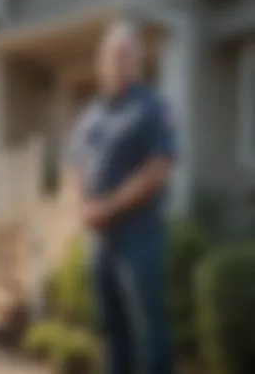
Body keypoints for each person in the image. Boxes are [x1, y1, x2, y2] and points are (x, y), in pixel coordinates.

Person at [67, 20, 176, 374]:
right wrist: (80, 204)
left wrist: (107, 206)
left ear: (138, 61)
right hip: (100, 240)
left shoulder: (152, 108)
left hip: (139, 237)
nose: (118, 60)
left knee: (150, 334)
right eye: (111, 54)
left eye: (126, 53)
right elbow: (74, 166)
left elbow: (158, 167)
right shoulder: (90, 115)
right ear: (101, 61)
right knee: (112, 332)